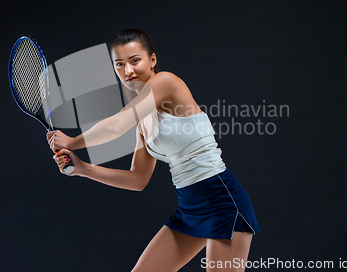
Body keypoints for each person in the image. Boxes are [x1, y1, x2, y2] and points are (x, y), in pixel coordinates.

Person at [47, 29, 260, 272]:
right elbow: (137, 179)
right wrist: (83, 169)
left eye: (135, 60)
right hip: (190, 208)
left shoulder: (166, 82)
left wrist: (72, 141)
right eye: (119, 64)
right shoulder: (143, 120)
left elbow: (116, 126)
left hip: (222, 201)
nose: (128, 71)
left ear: (152, 60)